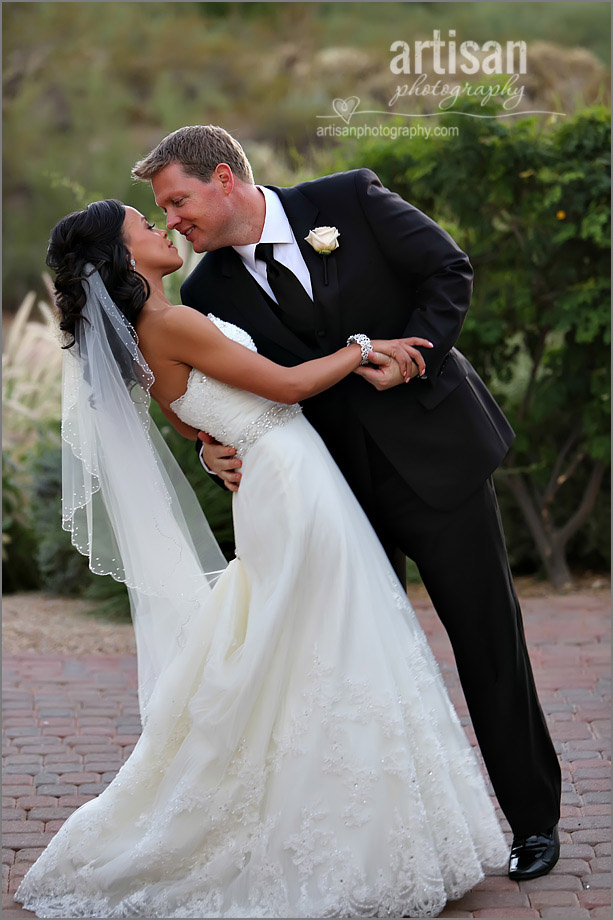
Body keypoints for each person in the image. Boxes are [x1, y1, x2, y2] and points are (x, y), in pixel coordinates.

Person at [15, 199, 508, 919]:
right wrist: (366, 347)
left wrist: (213, 444)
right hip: (290, 481)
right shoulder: (172, 320)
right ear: (123, 259)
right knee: (334, 643)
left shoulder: (148, 332)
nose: (163, 229)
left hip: (275, 480)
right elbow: (284, 387)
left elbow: (189, 417)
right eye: (145, 227)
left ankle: (365, 823)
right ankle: (357, 835)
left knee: (317, 643)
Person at [130, 125, 562, 881]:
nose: (172, 221)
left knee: (487, 641)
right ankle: (399, 840)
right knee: (362, 664)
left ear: (225, 177)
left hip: (437, 460)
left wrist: (414, 358)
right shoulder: (202, 293)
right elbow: (208, 390)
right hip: (331, 495)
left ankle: (532, 821)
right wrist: (205, 444)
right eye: (161, 210)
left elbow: (446, 272)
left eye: (178, 200)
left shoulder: (349, 200)